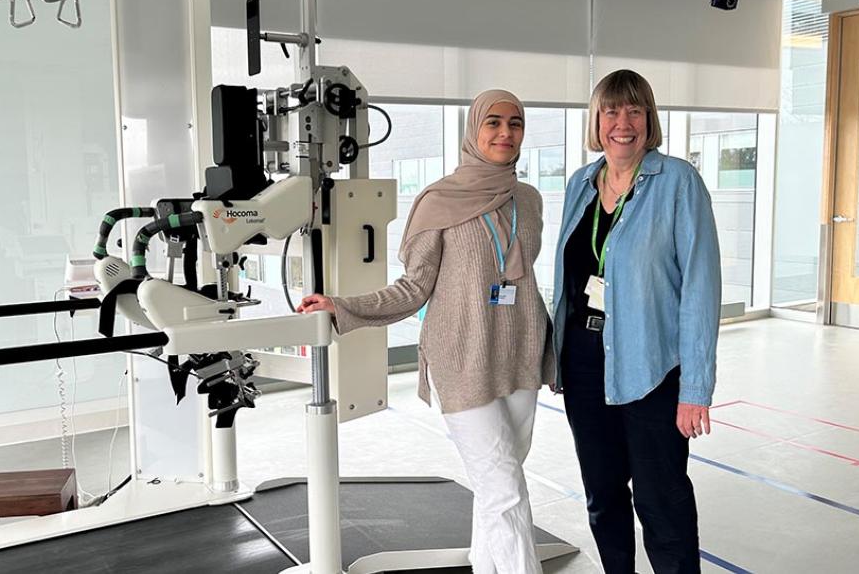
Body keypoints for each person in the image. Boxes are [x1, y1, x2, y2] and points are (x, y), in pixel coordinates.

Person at [298, 89, 554, 574]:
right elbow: (413, 289)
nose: (505, 133)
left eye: (515, 123)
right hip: (462, 359)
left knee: (499, 480)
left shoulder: (529, 199)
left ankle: (487, 563)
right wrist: (343, 305)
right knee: (505, 488)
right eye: (493, 122)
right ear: (473, 130)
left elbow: (526, 280)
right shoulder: (438, 201)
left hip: (520, 353)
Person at [551, 69, 721, 573]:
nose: (622, 123)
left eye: (634, 110)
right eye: (610, 111)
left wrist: (696, 387)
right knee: (603, 496)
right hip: (585, 363)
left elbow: (700, 288)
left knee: (660, 499)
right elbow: (567, 279)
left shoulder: (678, 183)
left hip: (652, 366)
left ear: (649, 118)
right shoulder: (580, 183)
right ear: (595, 120)